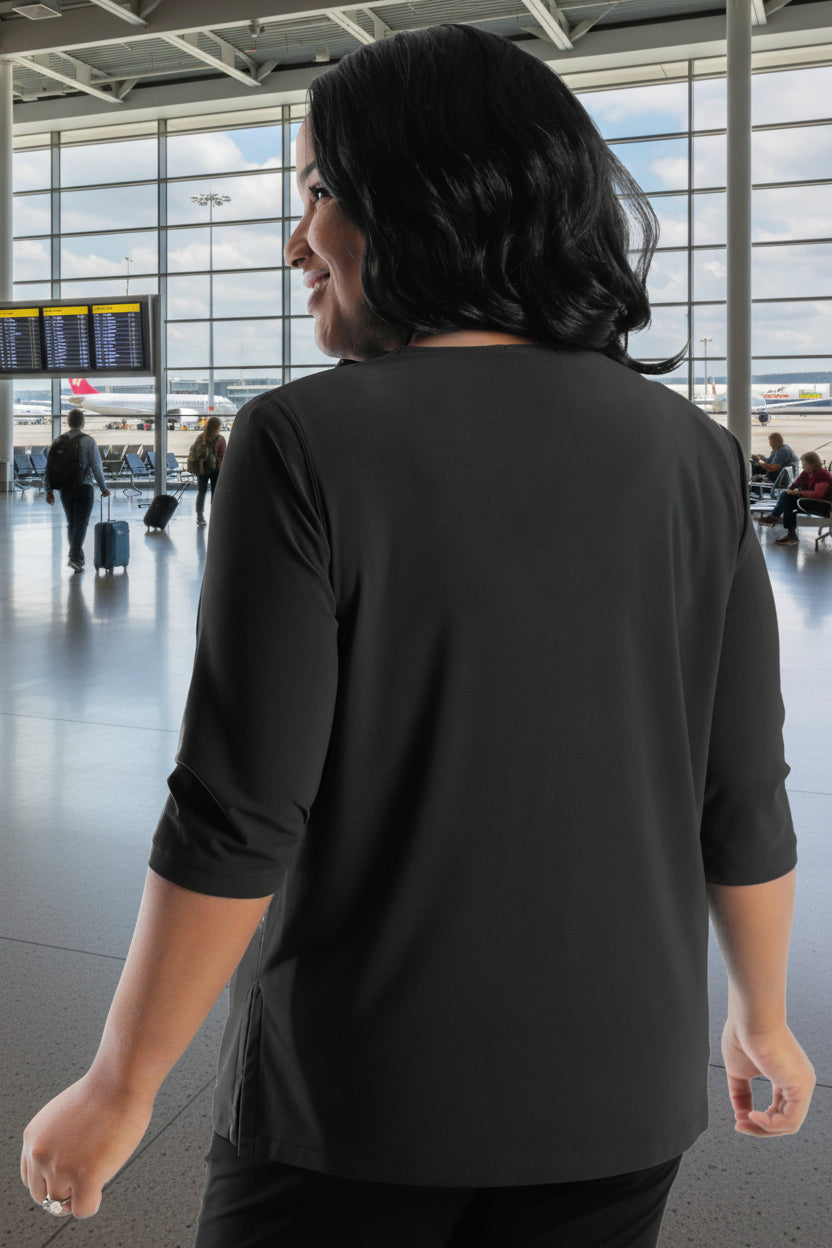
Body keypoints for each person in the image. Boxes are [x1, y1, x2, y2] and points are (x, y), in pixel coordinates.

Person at [21, 25, 814, 1248]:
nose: (297, 242)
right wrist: (761, 1014)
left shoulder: (303, 440)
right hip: (626, 1091)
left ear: (421, 196)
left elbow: (239, 811)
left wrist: (122, 1086)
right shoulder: (691, 454)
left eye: (317, 194)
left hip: (360, 1094)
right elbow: (743, 790)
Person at [44, 408, 110, 572]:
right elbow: (96, 466)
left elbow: (49, 467)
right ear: (82, 422)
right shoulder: (88, 441)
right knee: (81, 523)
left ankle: (78, 560)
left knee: (72, 523)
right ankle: (74, 557)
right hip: (84, 487)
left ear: (67, 422)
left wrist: (49, 490)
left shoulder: (58, 441)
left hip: (65, 488)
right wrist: (103, 488)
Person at [759, 450, 832, 545]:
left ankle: (776, 519)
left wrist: (798, 492)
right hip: (812, 501)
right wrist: (790, 489)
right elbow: (796, 483)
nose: (803, 466)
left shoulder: (822, 475)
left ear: (812, 464)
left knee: (787, 499)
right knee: (788, 500)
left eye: (804, 464)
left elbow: (817, 495)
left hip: (822, 505)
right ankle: (790, 534)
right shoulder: (807, 472)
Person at [188, 415, 226, 526]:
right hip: (215, 470)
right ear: (217, 427)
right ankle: (216, 515)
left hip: (202, 469)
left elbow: (194, 451)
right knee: (216, 492)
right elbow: (223, 456)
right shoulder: (220, 439)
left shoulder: (200, 437)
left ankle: (199, 516)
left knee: (201, 492)